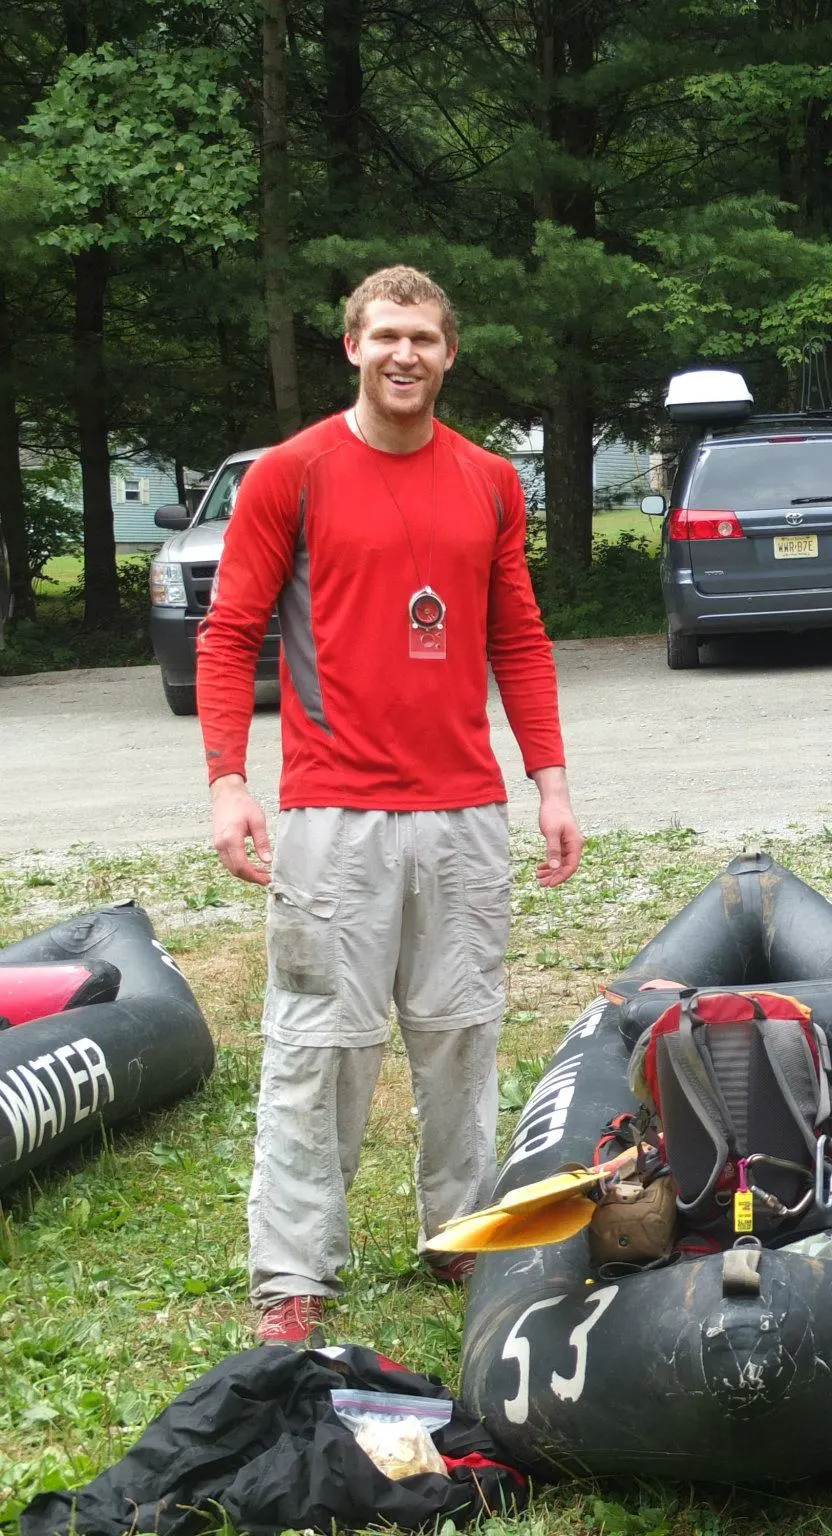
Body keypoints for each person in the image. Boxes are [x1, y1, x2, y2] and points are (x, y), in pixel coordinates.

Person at [198, 265, 584, 1347]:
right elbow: (229, 634)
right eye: (384, 337)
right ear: (351, 349)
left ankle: (463, 1237)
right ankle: (292, 1273)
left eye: (422, 336)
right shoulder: (292, 474)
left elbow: (519, 637)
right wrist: (229, 780)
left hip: (465, 809)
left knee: (460, 1035)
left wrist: (549, 782)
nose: (404, 354)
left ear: (449, 353)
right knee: (321, 1045)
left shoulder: (490, 483)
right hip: (334, 815)